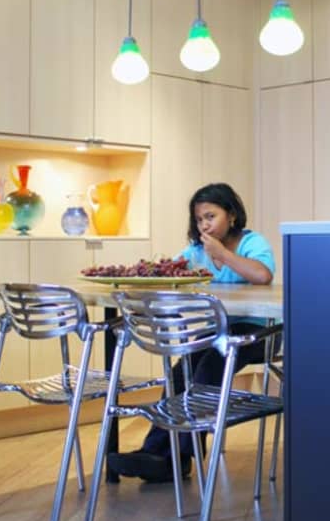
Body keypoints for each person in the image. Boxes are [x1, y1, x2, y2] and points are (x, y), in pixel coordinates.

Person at [107, 182, 276, 483]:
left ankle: (179, 457)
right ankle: (160, 452)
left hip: (256, 332)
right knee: (180, 371)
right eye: (199, 220)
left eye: (211, 216)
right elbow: (169, 271)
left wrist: (222, 253)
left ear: (232, 215)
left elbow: (262, 276)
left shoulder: (252, 242)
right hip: (217, 333)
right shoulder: (196, 251)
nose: (204, 225)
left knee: (207, 368)